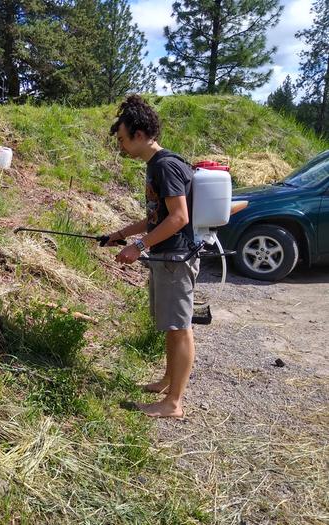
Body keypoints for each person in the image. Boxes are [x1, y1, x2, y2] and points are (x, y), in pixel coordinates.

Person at [105, 95, 199, 419]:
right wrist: (121, 233)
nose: (121, 146)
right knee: (173, 325)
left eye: (122, 138)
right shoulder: (156, 165)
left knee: (180, 327)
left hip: (176, 258)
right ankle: (168, 381)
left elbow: (179, 218)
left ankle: (174, 403)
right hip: (167, 257)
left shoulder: (165, 165)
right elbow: (157, 217)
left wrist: (139, 247)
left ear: (140, 135)